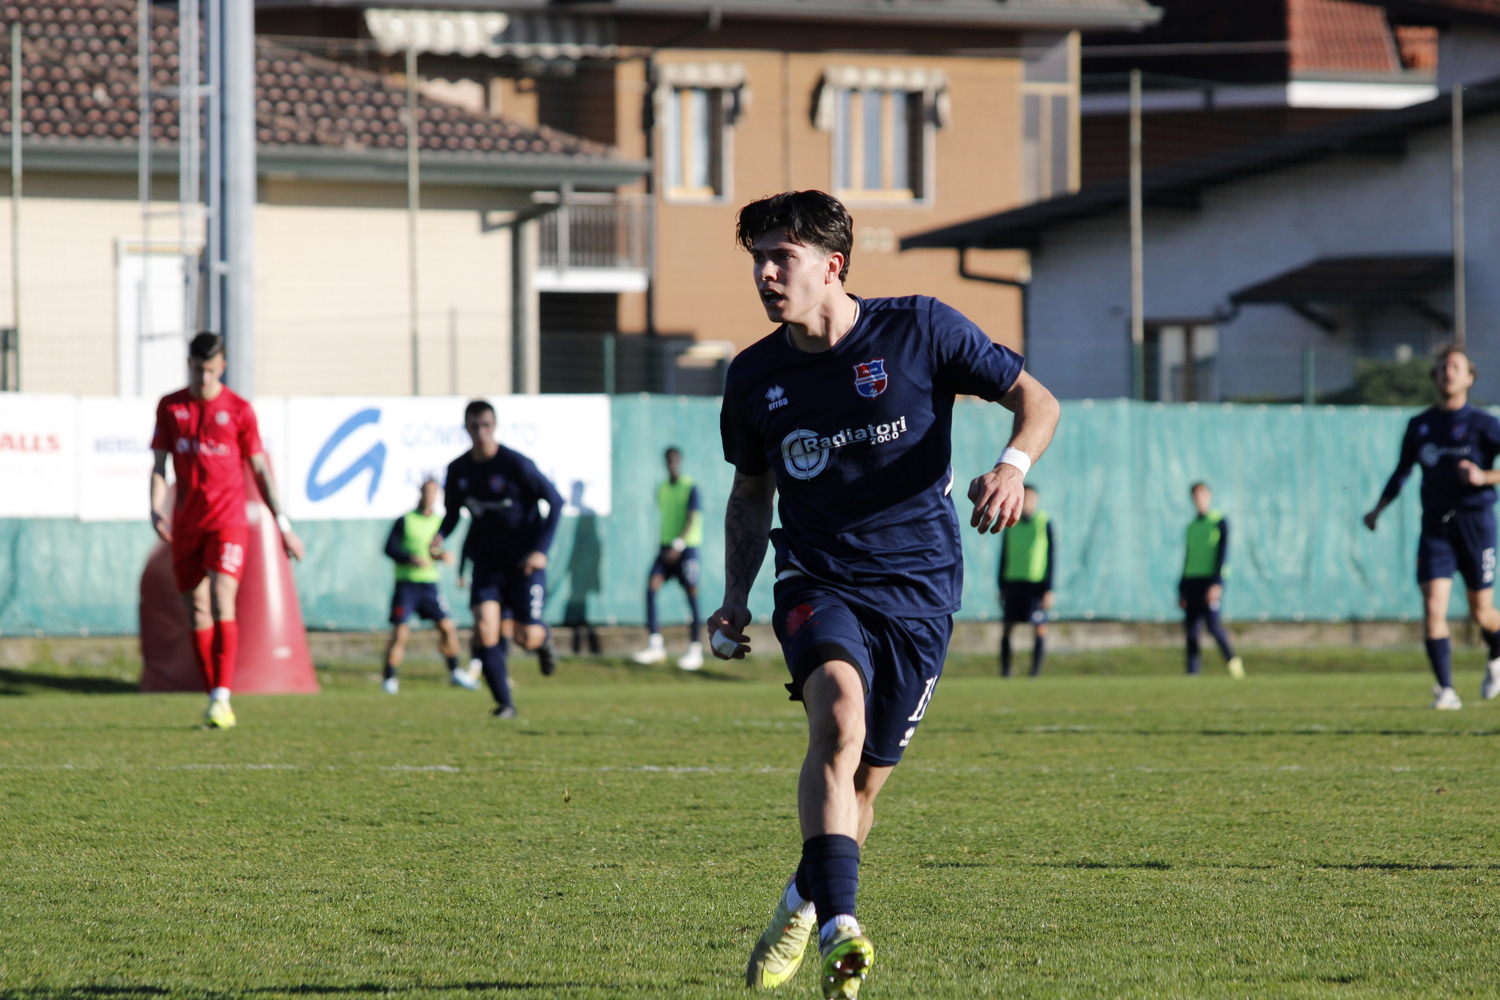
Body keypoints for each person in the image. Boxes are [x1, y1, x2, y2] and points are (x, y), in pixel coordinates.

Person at [711, 190, 1060, 998]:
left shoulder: (920, 329)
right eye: (758, 259)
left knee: (864, 786)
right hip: (816, 578)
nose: (766, 274)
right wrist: (735, 595)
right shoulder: (754, 375)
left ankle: (804, 901)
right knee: (838, 719)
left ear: (832, 265)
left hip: (920, 590)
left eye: (782, 257)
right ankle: (842, 928)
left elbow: (1037, 401)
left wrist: (1012, 467)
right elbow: (750, 495)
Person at [149, 332, 304, 729]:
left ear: (223, 366)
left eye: (210, 370)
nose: (203, 377)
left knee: (221, 599)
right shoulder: (171, 406)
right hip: (187, 525)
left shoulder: (239, 410)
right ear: (189, 365)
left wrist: (283, 526)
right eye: (197, 369)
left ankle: (222, 696)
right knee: (197, 611)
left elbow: (261, 471)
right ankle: (214, 698)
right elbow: (159, 466)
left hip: (228, 524)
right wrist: (155, 506)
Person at [1364, 345, 1500, 709]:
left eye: (1455, 367)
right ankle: (1446, 690)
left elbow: (1491, 471)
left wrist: (1485, 476)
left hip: (1476, 523)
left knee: (1482, 612)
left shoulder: (1485, 423)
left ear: (1469, 377)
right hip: (1436, 527)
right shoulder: (1420, 425)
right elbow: (1402, 471)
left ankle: (1496, 655)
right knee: (1432, 606)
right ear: (1434, 377)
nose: (1448, 373)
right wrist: (1377, 509)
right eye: (1442, 367)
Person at [433, 399, 562, 718]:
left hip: (523, 564)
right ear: (465, 428)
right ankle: (506, 704)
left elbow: (556, 502)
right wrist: (440, 536)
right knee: (485, 629)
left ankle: (543, 641)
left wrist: (541, 550)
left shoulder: (515, 464)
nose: (480, 432)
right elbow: (452, 514)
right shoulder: (458, 470)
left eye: (486, 425)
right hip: (487, 564)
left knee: (526, 637)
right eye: (474, 426)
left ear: (495, 426)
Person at [381, 478, 476, 694]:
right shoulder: (406, 520)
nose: (428, 496)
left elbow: (435, 550)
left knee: (447, 627)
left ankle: (455, 672)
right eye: (426, 492)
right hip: (407, 585)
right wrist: (410, 558)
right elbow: (389, 548)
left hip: (430, 585)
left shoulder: (439, 522)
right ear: (420, 493)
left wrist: (441, 556)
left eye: (433, 492)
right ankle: (389, 678)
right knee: (400, 633)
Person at [632, 446, 706, 670]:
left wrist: (679, 544)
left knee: (692, 594)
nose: (671, 463)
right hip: (666, 548)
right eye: (668, 459)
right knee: (651, 588)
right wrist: (669, 546)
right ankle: (656, 645)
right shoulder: (662, 488)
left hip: (686, 548)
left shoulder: (690, 486)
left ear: (679, 461)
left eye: (674, 459)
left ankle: (695, 649)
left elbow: (692, 518)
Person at [1179, 482, 1244, 679]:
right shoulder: (1191, 526)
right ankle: (1192, 673)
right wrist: (1182, 587)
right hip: (1192, 581)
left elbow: (1223, 553)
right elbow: (1188, 557)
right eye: (1195, 495)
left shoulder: (1219, 521)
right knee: (1191, 631)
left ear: (1209, 495)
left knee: (1213, 627)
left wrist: (1217, 583)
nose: (1198, 498)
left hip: (1210, 581)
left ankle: (1234, 663)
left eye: (1202, 494)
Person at [998, 485, 1054, 677]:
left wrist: (1049, 589)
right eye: (1024, 498)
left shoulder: (1044, 522)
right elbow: (1004, 555)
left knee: (1039, 627)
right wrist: (1001, 585)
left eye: (1030, 499)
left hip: (1036, 583)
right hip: (1013, 581)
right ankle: (1006, 671)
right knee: (1007, 626)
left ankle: (1034, 672)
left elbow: (1052, 556)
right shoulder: (1010, 522)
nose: (1026, 503)